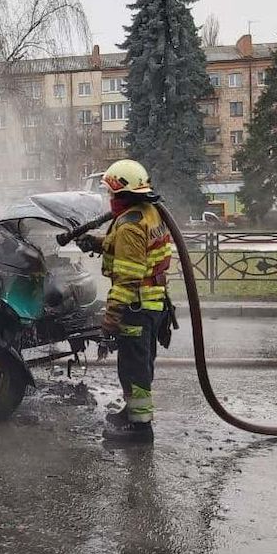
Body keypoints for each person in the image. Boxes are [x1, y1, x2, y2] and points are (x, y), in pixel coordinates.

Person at [75, 159, 175, 443]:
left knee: (133, 368)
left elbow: (129, 278)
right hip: (153, 304)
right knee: (141, 363)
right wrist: (96, 242)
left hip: (136, 305)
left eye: (111, 193)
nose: (109, 198)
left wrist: (110, 320)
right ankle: (133, 413)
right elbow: (130, 246)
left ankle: (140, 427)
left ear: (123, 193)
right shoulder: (148, 212)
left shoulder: (130, 224)